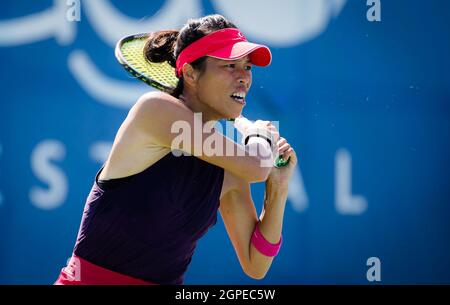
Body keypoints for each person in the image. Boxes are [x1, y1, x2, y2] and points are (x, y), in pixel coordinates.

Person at [55, 14, 297, 285]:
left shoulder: (230, 163)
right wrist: (259, 134)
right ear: (191, 74)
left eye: (248, 67)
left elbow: (256, 264)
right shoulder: (154, 110)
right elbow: (256, 166)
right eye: (230, 65)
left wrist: (278, 189)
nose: (244, 78)